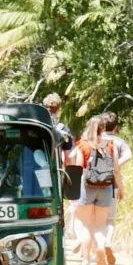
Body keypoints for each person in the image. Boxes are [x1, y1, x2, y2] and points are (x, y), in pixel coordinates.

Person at [74, 115, 121, 265]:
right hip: (106, 187)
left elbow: (78, 168)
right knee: (100, 225)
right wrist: (120, 188)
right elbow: (115, 169)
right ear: (103, 128)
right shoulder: (110, 145)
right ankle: (101, 246)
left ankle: (86, 261)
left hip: (87, 186)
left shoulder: (83, 145)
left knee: (87, 225)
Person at [43, 93, 83, 249]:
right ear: (58, 109)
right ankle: (58, 241)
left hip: (35, 173)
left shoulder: (37, 126)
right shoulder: (63, 129)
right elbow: (67, 158)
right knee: (57, 205)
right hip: (55, 172)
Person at [99, 111, 132, 265]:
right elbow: (129, 155)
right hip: (110, 184)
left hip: (91, 184)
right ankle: (107, 242)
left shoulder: (94, 140)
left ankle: (95, 248)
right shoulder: (118, 142)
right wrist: (116, 165)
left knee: (95, 220)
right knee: (110, 220)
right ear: (116, 127)